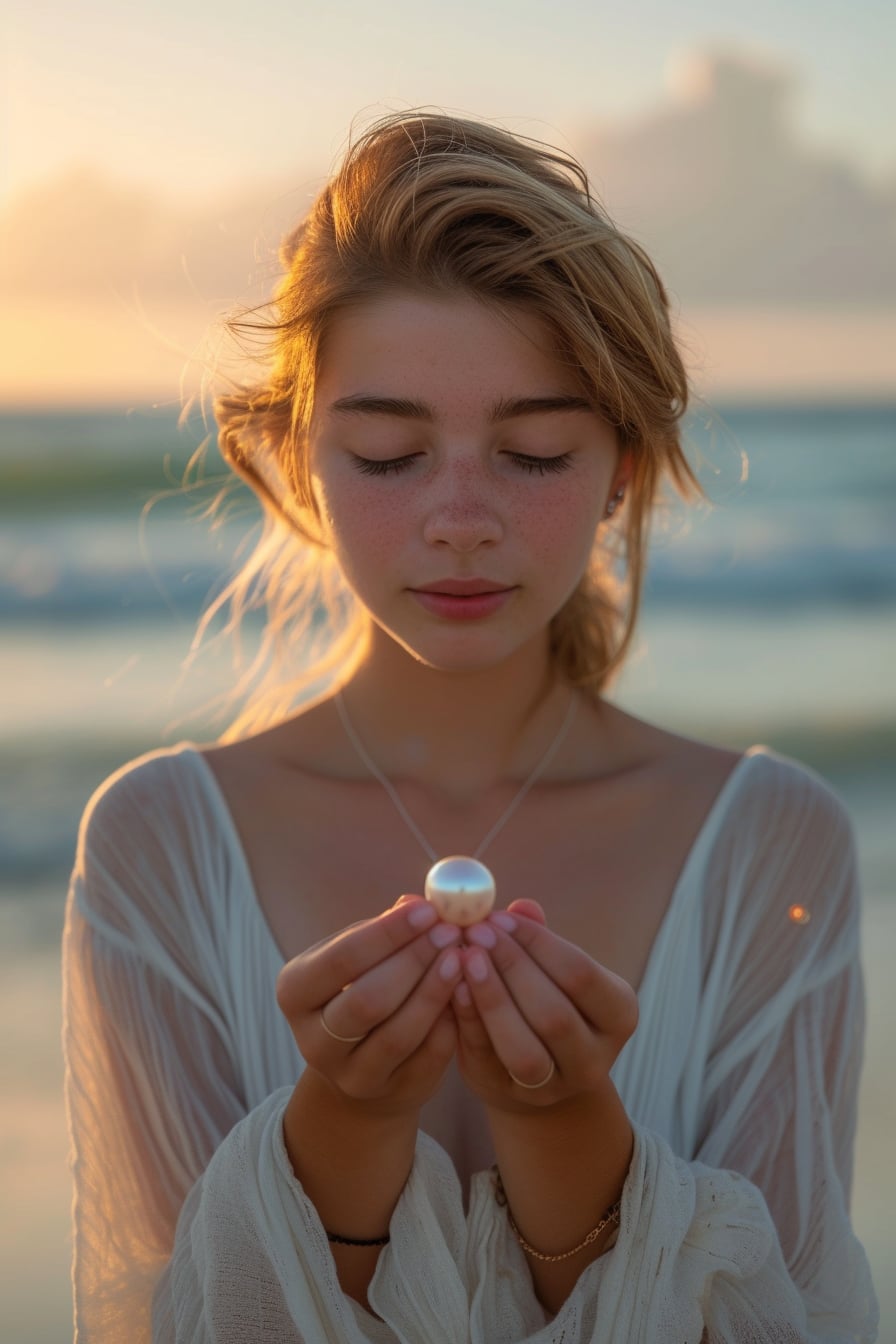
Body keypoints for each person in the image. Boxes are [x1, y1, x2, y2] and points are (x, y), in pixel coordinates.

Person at [62, 111, 879, 1341]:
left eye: (533, 451)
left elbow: (787, 1323)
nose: (458, 517)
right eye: (389, 455)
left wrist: (568, 1129)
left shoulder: (772, 845)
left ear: (624, 467)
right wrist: (339, 1126)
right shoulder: (158, 846)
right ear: (296, 456)